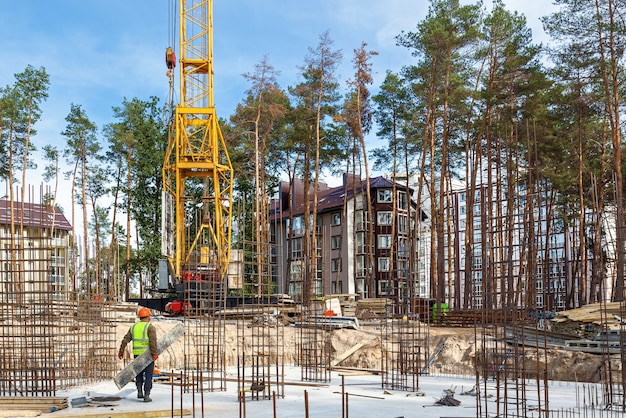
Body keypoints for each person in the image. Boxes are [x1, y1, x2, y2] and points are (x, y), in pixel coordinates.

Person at [118, 307, 158, 402]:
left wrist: (121, 351)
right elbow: (153, 342)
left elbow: (125, 340)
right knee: (148, 375)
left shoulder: (134, 327)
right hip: (147, 355)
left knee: (138, 374)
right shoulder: (150, 327)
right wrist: (154, 353)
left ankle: (139, 392)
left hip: (137, 355)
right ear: (148, 317)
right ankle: (146, 395)